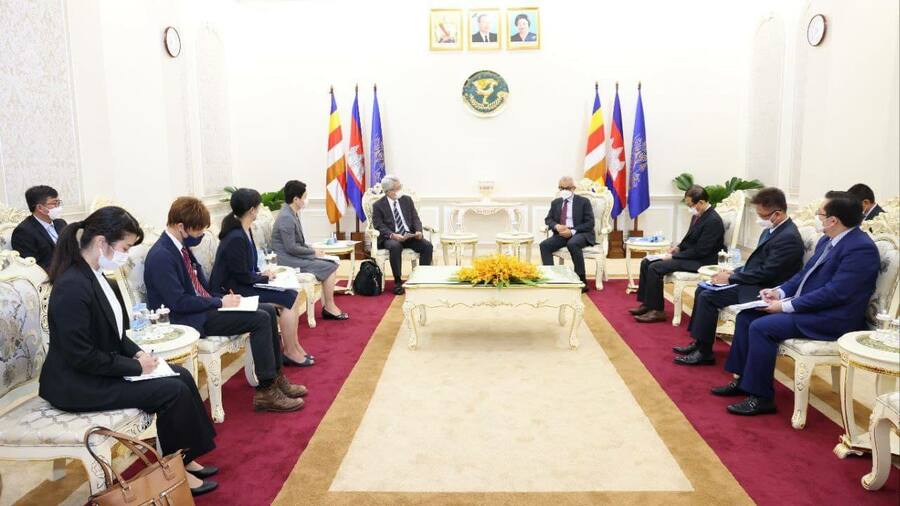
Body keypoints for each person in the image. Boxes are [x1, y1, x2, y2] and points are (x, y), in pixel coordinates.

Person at [39, 206, 219, 496]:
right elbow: (81, 356)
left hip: (98, 369)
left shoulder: (97, 276)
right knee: (172, 390)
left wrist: (138, 355)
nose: (126, 255)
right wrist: (136, 368)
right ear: (102, 242)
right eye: (124, 248)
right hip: (77, 383)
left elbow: (117, 334)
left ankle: (185, 458)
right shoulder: (72, 286)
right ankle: (176, 470)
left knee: (181, 375)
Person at [713, 191, 879, 416]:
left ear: (833, 220)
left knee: (762, 327)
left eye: (820, 214)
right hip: (812, 307)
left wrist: (785, 306)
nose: (817, 217)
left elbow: (836, 293)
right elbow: (804, 275)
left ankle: (761, 398)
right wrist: (779, 292)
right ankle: (742, 381)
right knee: (747, 316)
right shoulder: (828, 239)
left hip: (834, 318)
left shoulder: (860, 248)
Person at [145, 197, 307, 413]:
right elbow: (178, 302)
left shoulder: (180, 247)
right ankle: (266, 392)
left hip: (203, 308)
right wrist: (219, 301)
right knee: (259, 319)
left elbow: (200, 288)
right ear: (181, 226)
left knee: (267, 310)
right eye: (198, 231)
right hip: (187, 319)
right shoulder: (162, 256)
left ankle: (276, 378)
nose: (200, 236)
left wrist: (223, 299)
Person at [675, 188, 804, 365]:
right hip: (753, 281)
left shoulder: (788, 237)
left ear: (778, 213)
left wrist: (731, 279)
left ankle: (704, 353)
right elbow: (756, 263)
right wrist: (734, 272)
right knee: (703, 290)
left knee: (708, 296)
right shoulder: (773, 229)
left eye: (762, 215)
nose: (759, 219)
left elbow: (767, 272)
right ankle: (699, 343)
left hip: (765, 289)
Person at [209, 188, 314, 367]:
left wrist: (261, 274)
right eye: (258, 207)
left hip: (244, 283)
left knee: (291, 294)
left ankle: (294, 346)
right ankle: (290, 351)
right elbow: (241, 276)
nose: (259, 210)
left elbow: (247, 267)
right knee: (290, 299)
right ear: (252, 210)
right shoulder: (235, 237)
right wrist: (263, 278)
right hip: (234, 290)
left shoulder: (244, 230)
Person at [631, 185, 725, 323]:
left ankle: (657, 311)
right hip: (691, 256)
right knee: (646, 262)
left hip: (702, 261)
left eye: (690, 205)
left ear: (701, 202)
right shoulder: (698, 215)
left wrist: (674, 257)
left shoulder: (713, 221)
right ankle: (647, 304)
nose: (689, 208)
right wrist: (678, 248)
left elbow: (701, 251)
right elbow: (690, 239)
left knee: (655, 268)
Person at [271, 180, 348, 320]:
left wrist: (312, 249)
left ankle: (328, 305)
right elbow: (291, 247)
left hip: (293, 256)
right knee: (330, 267)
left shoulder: (291, 213)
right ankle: (329, 307)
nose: (307, 200)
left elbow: (298, 243)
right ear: (296, 199)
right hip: (287, 260)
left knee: (331, 263)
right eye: (305, 196)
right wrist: (313, 253)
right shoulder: (286, 217)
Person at [371, 175, 433, 295]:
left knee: (427, 246)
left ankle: (423, 278)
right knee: (395, 246)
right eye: (398, 188)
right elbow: (379, 225)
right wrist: (392, 234)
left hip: (408, 235)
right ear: (389, 191)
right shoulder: (378, 205)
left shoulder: (407, 200)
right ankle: (398, 282)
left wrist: (418, 231)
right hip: (391, 238)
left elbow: (415, 218)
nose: (400, 190)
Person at [539, 176, 595, 293]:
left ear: (573, 188)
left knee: (573, 243)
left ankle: (581, 281)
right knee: (544, 245)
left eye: (567, 188)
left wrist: (572, 231)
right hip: (562, 233)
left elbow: (590, 223)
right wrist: (556, 226)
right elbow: (548, 219)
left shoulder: (584, 202)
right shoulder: (556, 202)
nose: (564, 191)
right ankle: (551, 277)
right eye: (561, 188)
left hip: (580, 233)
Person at [11, 185, 67, 270]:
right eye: (54, 203)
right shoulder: (23, 232)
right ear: (40, 208)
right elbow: (34, 266)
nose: (58, 207)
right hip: (53, 274)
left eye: (59, 203)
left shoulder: (60, 223)